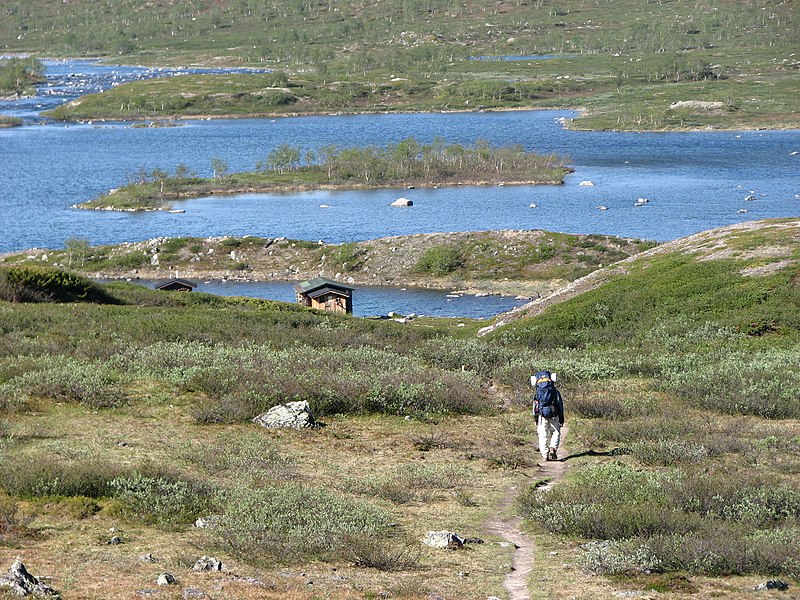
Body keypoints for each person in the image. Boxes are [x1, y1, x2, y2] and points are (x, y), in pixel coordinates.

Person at [532, 370, 564, 462]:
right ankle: (553, 447)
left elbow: (535, 407)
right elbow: (560, 405)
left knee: (542, 435)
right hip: (554, 415)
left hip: (542, 416)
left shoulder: (537, 393)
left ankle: (545, 455)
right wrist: (561, 419)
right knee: (555, 432)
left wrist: (535, 419)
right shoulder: (555, 392)